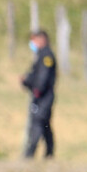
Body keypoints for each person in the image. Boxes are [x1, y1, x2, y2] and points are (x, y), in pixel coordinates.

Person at [20, 29, 57, 159]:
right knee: (44, 124)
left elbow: (43, 77)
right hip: (41, 96)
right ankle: (49, 154)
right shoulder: (41, 55)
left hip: (43, 97)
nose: (32, 43)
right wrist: (27, 80)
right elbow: (36, 74)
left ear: (42, 40)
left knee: (38, 122)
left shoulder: (46, 56)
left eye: (34, 40)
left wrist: (34, 87)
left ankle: (29, 154)